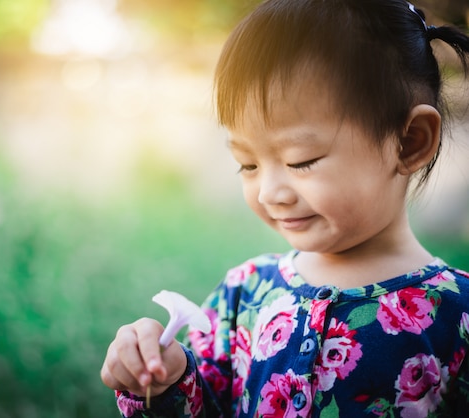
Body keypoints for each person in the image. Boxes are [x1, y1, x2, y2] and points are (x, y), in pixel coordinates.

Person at [100, 0, 469, 416]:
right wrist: (166, 378)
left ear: (410, 142)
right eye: (248, 164)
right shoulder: (243, 294)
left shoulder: (456, 314)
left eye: (300, 160)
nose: (270, 191)